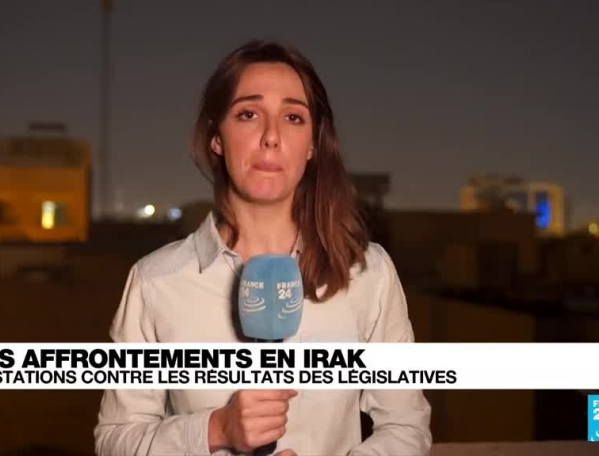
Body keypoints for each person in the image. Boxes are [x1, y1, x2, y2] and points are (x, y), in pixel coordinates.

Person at [94, 40, 432, 456]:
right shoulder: (155, 282)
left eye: (293, 117)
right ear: (217, 137)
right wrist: (215, 429)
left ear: (312, 144)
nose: (271, 137)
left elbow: (406, 426)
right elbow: (115, 440)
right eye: (248, 114)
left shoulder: (369, 273)